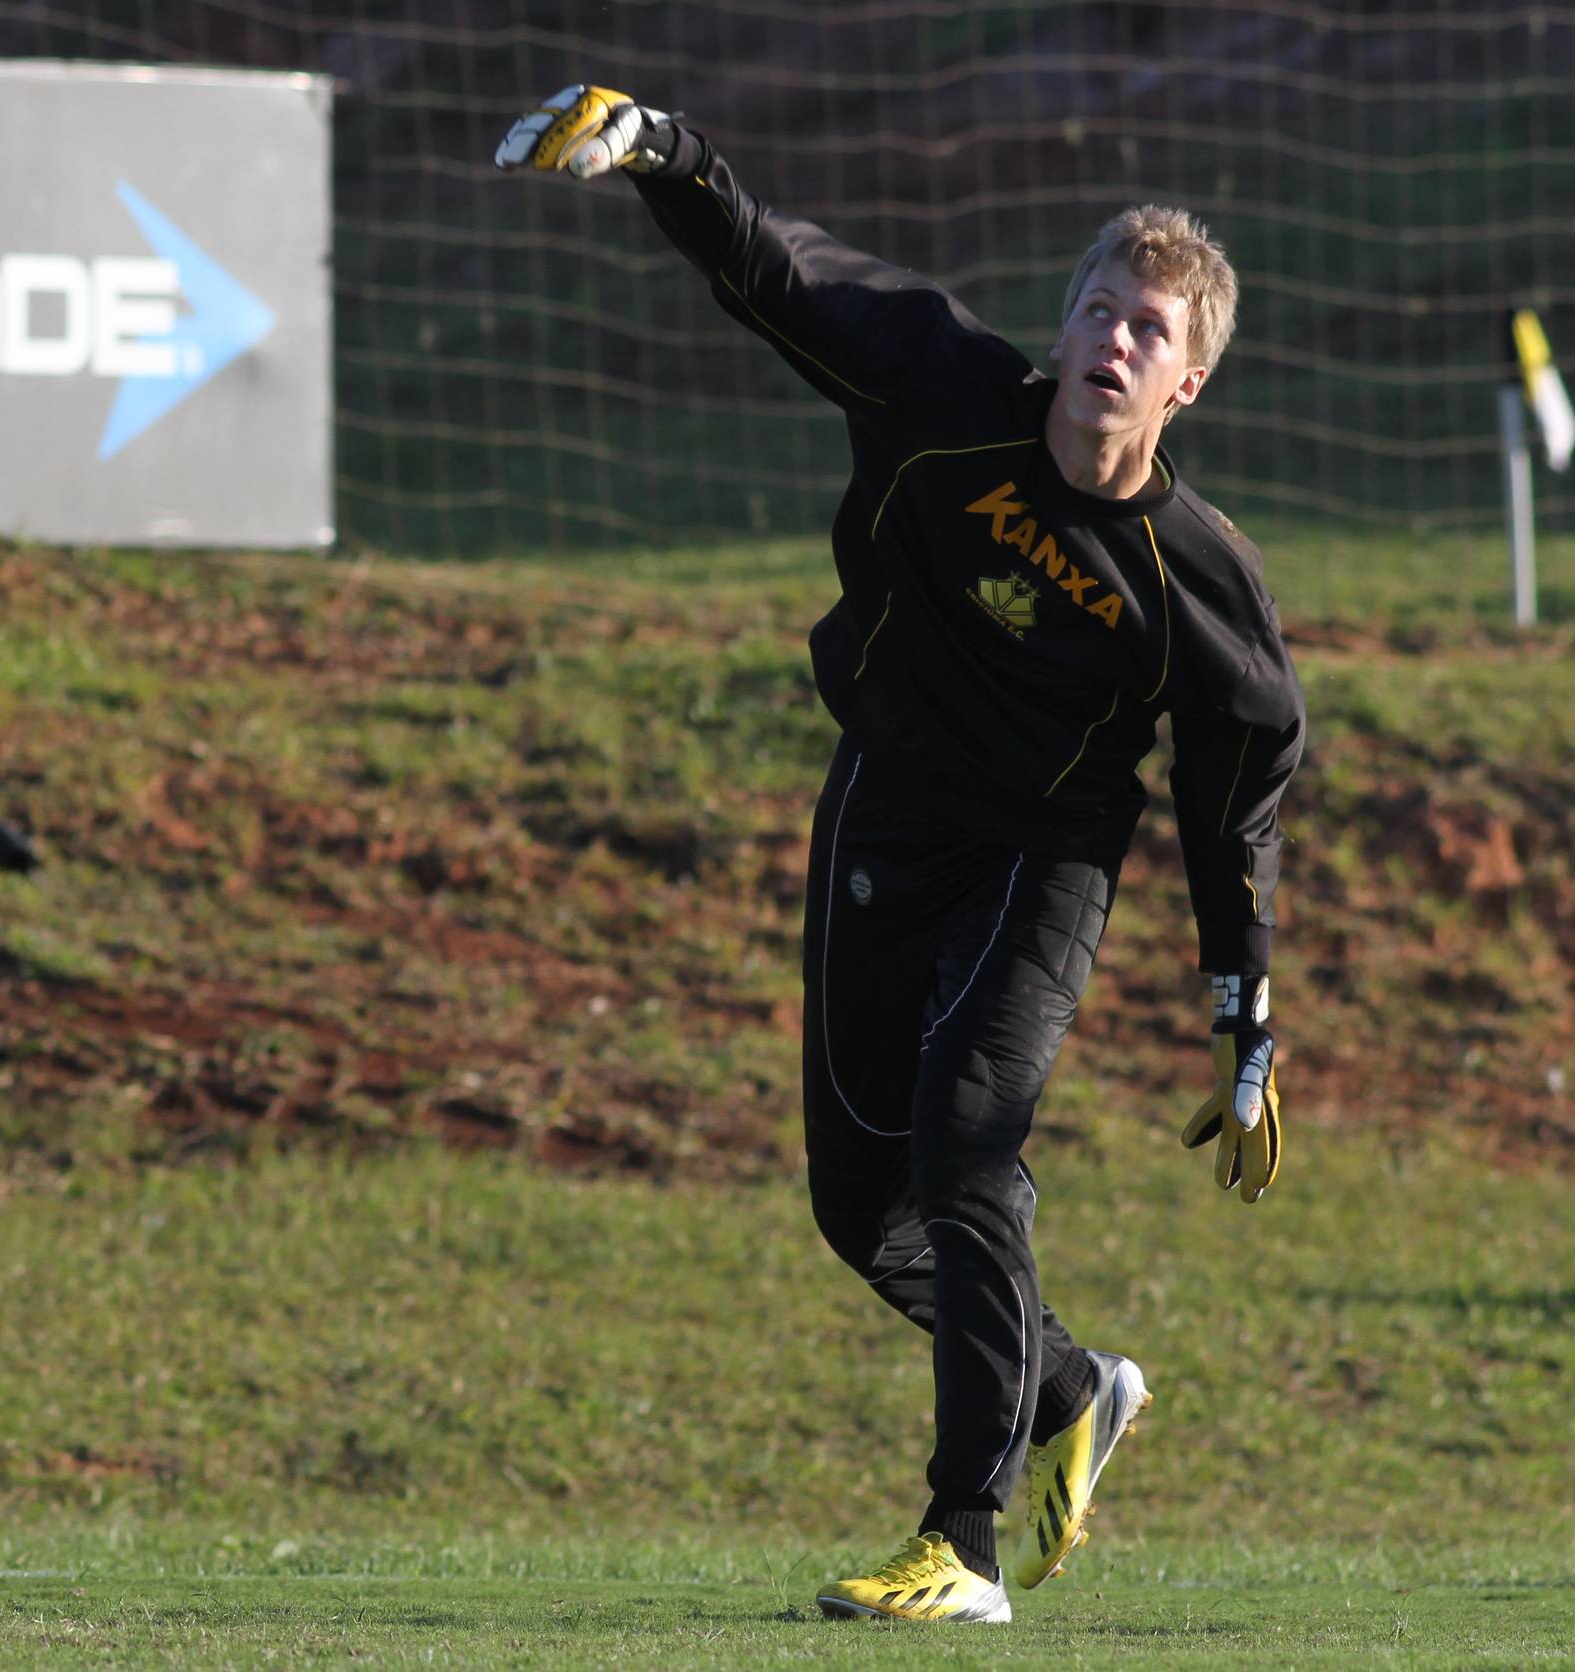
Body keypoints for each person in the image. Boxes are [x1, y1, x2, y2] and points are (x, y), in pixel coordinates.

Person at [496, 87, 1306, 1625]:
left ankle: (967, 1544)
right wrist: (664, 152)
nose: (1112, 341)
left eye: (1147, 330)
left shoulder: (1204, 590)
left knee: (964, 1141)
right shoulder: (945, 397)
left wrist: (1241, 1013)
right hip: (883, 809)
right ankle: (1074, 1387)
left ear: (1186, 381)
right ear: (1062, 327)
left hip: (1041, 861)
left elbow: (1233, 801)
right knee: (859, 1207)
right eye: (1096, 310)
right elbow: (782, 272)